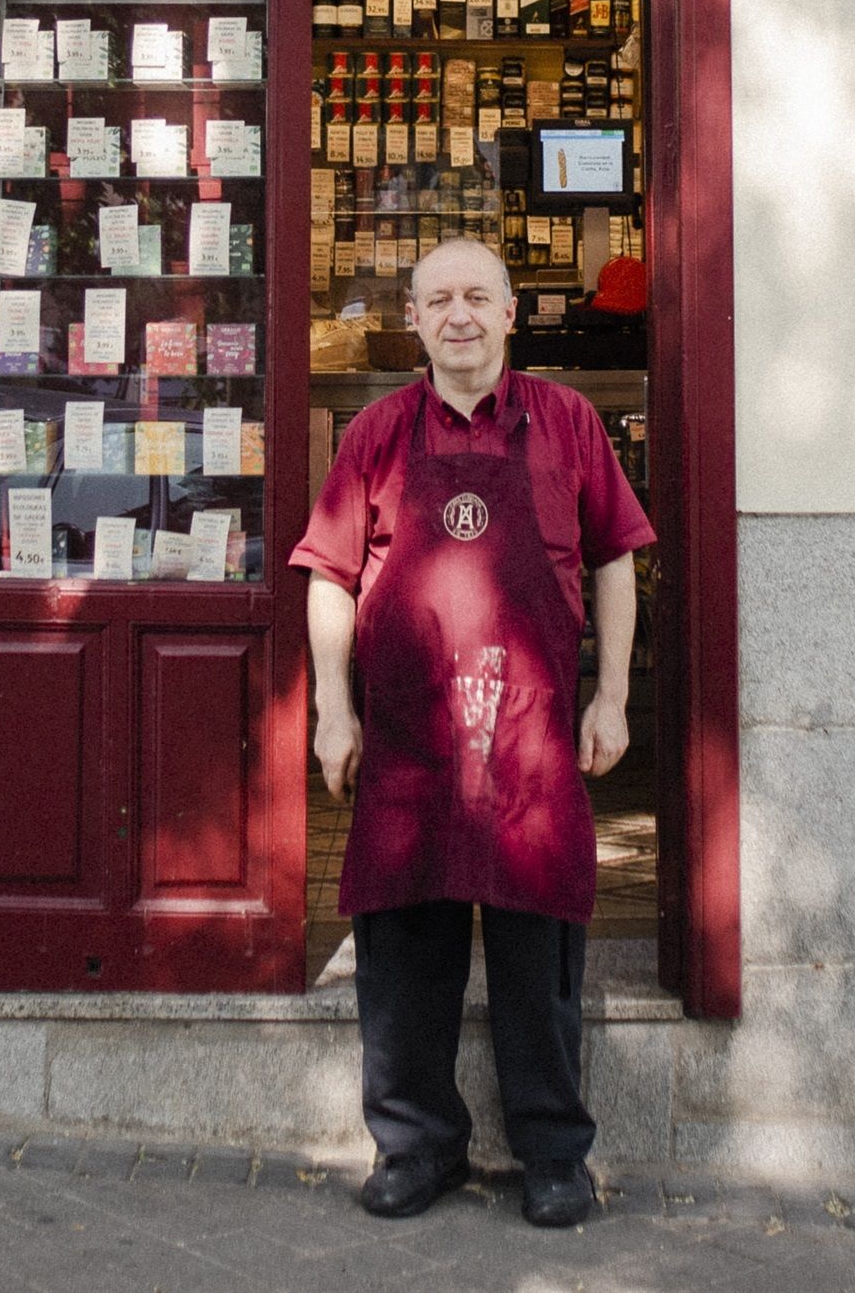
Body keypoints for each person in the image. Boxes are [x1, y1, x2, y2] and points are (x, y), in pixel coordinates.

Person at [293, 234, 653, 1230]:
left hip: (533, 740)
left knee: (540, 965)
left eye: (477, 298)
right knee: (404, 957)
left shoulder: (569, 422)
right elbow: (327, 573)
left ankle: (552, 1155)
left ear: (507, 314)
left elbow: (617, 556)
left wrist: (611, 693)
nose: (458, 314)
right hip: (409, 739)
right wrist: (333, 709)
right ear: (412, 318)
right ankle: (415, 1146)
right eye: (438, 298)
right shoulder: (374, 433)